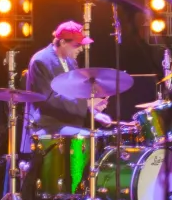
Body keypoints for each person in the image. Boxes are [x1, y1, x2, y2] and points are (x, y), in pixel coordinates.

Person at [21, 21, 112, 152]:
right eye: (77, 45)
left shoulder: (70, 61)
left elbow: (75, 93)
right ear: (63, 42)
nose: (81, 49)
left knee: (100, 137)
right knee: (90, 138)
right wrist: (87, 104)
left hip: (69, 123)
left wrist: (94, 112)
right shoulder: (40, 61)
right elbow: (50, 99)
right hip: (49, 124)